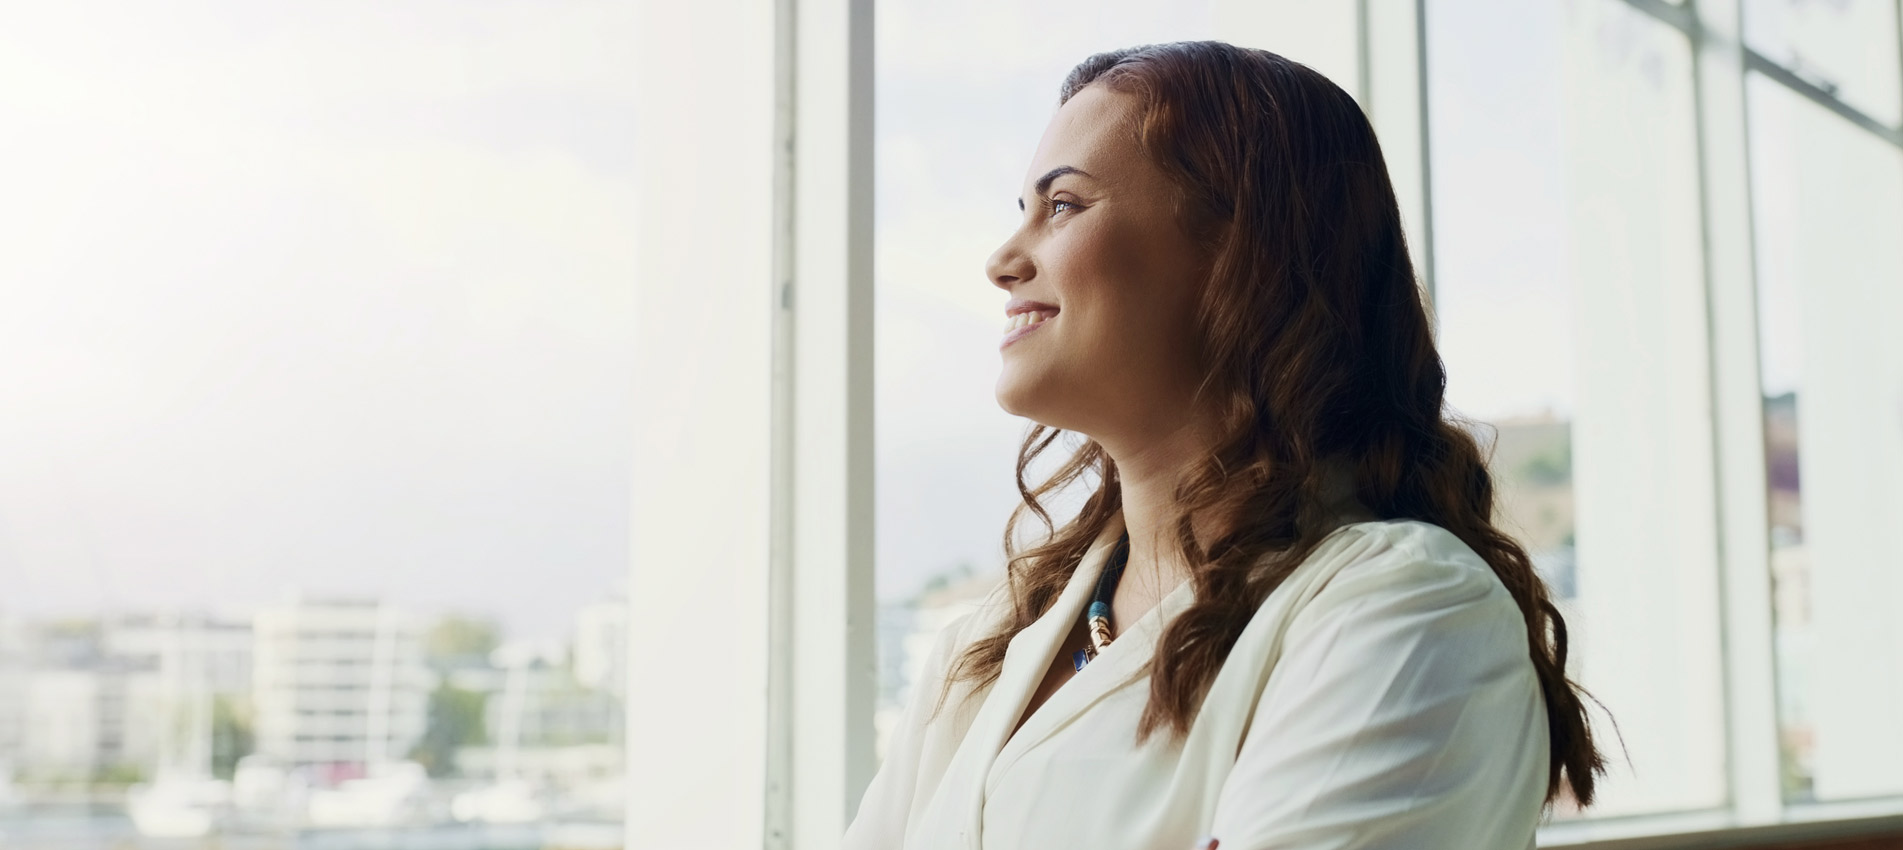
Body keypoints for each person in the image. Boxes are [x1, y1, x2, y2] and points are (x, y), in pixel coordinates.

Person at [843, 41, 1605, 850]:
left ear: (1243, 254)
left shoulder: (1407, 610)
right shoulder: (981, 648)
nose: (1002, 260)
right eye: (1021, 210)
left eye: (1062, 206)